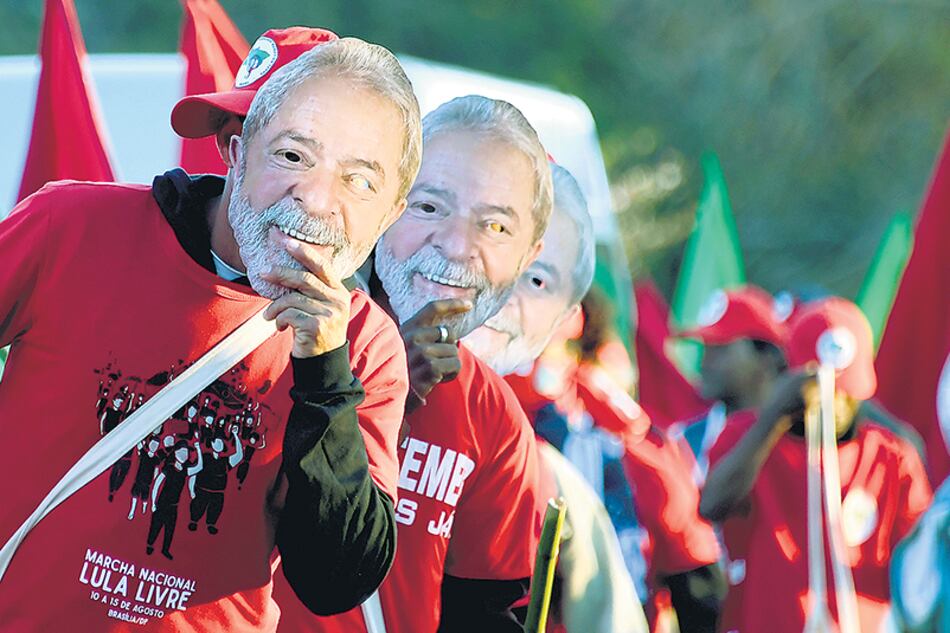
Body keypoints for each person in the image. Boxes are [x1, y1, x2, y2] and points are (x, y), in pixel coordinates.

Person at [0, 29, 422, 631]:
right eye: (293, 156)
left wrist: (327, 372)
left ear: (390, 211)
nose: (316, 199)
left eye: (359, 180)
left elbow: (334, 583)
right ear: (235, 149)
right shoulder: (68, 225)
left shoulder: (369, 348)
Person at [275, 94, 553, 633]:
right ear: (388, 206)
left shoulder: (495, 420)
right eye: (429, 207)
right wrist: (380, 382)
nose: (455, 247)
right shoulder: (281, 325)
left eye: (495, 227)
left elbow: (485, 615)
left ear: (528, 256)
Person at [465, 164, 649, 633]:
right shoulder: (378, 375)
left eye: (536, 280)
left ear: (569, 316)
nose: (504, 294)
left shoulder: (563, 450)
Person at [700, 297, 933, 632]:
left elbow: (918, 566)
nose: (831, 404)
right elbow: (712, 505)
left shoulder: (891, 456)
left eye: (843, 393)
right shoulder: (749, 436)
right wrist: (774, 416)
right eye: (820, 391)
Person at [670, 286, 789, 485]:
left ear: (766, 358)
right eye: (705, 348)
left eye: (720, 349)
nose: (704, 362)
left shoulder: (803, 437)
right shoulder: (683, 442)